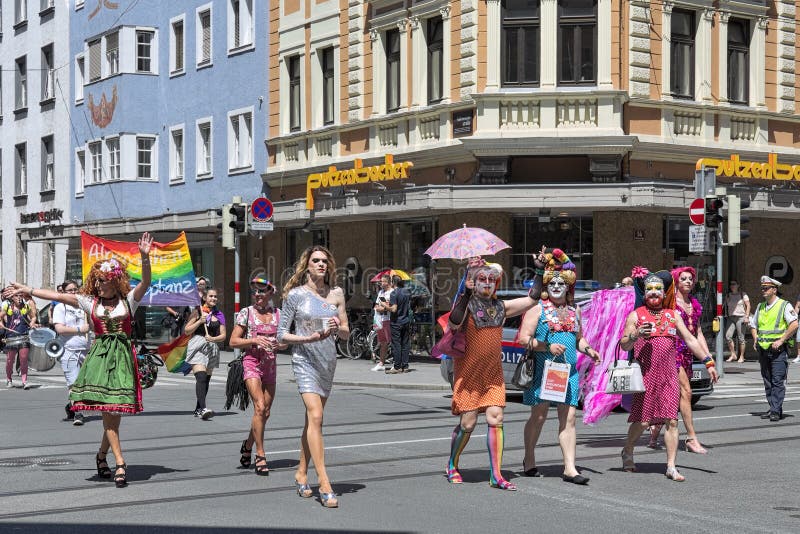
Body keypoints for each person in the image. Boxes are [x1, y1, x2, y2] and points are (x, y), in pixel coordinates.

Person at [3, 232, 153, 489]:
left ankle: (101, 456)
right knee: (108, 412)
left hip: (122, 359)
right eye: (98, 280)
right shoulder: (89, 301)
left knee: (114, 414)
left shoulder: (129, 301)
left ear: (115, 280)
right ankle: (120, 463)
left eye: (105, 280)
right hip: (99, 359)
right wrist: (28, 289)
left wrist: (145, 258)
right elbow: (58, 296)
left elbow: (146, 282)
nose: (101, 284)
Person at [445, 254, 542, 491]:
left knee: (495, 418)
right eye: (482, 279)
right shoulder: (464, 305)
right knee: (467, 424)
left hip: (492, 376)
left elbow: (532, 299)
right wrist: (465, 293)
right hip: (468, 375)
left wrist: (539, 271)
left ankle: (496, 475)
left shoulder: (501, 307)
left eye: (491, 279)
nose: (487, 282)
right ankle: (452, 464)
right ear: (473, 282)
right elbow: (454, 323)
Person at [618, 270, 716, 482]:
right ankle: (627, 450)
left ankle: (671, 466)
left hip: (669, 376)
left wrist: (708, 361)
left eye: (658, 290)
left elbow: (690, 340)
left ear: (664, 293)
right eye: (650, 290)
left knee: (672, 421)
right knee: (644, 422)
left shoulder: (673, 315)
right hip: (646, 376)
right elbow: (624, 343)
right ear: (644, 294)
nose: (654, 293)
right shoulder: (636, 315)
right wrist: (635, 335)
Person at [517, 250, 601, 485]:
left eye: (560, 283)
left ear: (568, 287)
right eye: (552, 282)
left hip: (569, 373)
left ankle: (570, 468)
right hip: (544, 371)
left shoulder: (575, 311)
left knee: (569, 419)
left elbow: (578, 339)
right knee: (540, 415)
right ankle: (529, 457)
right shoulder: (537, 310)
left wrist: (589, 349)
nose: (555, 286)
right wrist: (546, 346)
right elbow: (524, 339)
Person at [277, 246, 349, 508]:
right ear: (306, 265)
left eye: (324, 261)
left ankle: (300, 472)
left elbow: (345, 332)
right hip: (304, 359)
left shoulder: (337, 294)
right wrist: (306, 338)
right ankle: (325, 482)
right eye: (315, 261)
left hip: (327, 360)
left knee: (312, 422)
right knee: (316, 416)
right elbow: (281, 335)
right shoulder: (295, 296)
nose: (320, 265)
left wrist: (336, 327)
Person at [649, 267, 719, 454]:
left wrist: (708, 357)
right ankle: (691, 438)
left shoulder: (694, 304)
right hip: (671, 353)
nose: (688, 281)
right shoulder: (670, 303)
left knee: (673, 396)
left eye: (690, 279)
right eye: (684, 278)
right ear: (676, 282)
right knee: (686, 392)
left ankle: (656, 428)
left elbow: (697, 333)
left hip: (687, 354)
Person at [229, 278, 286, 474]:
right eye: (255, 292)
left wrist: (281, 345)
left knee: (265, 413)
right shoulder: (247, 313)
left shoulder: (279, 314)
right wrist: (254, 340)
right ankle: (260, 455)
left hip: (270, 366)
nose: (258, 295)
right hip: (252, 362)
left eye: (262, 292)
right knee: (259, 407)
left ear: (270, 293)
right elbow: (233, 341)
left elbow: (285, 341)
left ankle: (247, 444)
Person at [750, 276, 798, 422]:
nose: (763, 290)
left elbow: (794, 324)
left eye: (766, 288)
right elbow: (753, 325)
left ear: (774, 290)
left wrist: (782, 339)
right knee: (768, 381)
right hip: (763, 350)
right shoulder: (760, 306)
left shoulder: (784, 305)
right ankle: (773, 407)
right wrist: (755, 338)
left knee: (777, 381)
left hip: (778, 351)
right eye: (762, 288)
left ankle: (776, 410)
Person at [184, 287, 227, 420]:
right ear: (204, 298)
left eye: (215, 296)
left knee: (206, 380)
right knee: (201, 377)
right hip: (197, 346)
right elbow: (186, 330)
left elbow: (224, 335)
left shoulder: (219, 315)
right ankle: (203, 409)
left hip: (211, 347)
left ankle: (198, 408)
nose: (213, 298)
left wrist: (213, 339)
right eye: (211, 296)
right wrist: (199, 321)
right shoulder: (198, 312)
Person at [52, 280, 91, 425]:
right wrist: (81, 329)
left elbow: (92, 326)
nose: (74, 293)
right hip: (69, 350)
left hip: (86, 349)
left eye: (76, 290)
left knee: (86, 383)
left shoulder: (83, 307)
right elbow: (60, 329)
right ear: (63, 292)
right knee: (73, 383)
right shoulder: (60, 307)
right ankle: (78, 413)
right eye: (71, 290)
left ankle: (71, 406)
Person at [2, 294, 37, 389]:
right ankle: (9, 379)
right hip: (11, 337)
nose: (19, 297)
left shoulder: (26, 306)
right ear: (12, 297)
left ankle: (24, 381)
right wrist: (1, 324)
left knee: (24, 359)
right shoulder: (8, 306)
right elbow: (0, 316)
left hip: (23, 336)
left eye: (20, 295)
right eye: (16, 296)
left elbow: (33, 317)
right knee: (10, 360)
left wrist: (32, 323)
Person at [386, 276, 411, 374]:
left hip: (396, 322)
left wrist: (385, 305)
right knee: (405, 344)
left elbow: (394, 309)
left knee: (396, 345)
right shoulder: (406, 292)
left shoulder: (393, 293)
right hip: (405, 320)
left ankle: (397, 367)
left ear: (393, 282)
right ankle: (405, 366)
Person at [371, 274, 393, 372]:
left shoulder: (392, 292)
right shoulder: (380, 292)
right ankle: (381, 363)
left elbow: (390, 306)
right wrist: (377, 307)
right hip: (380, 320)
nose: (381, 283)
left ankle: (396, 363)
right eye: (381, 281)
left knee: (391, 341)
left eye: (383, 281)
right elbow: (376, 305)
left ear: (388, 282)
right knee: (382, 342)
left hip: (388, 319)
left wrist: (383, 308)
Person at [726, 280, 750, 363]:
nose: (732, 286)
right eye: (731, 284)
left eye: (734, 284)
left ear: (738, 285)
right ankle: (733, 354)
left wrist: (746, 317)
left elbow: (748, 305)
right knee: (728, 336)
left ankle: (742, 356)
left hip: (741, 317)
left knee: (741, 338)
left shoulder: (742, 294)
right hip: (731, 317)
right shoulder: (728, 295)